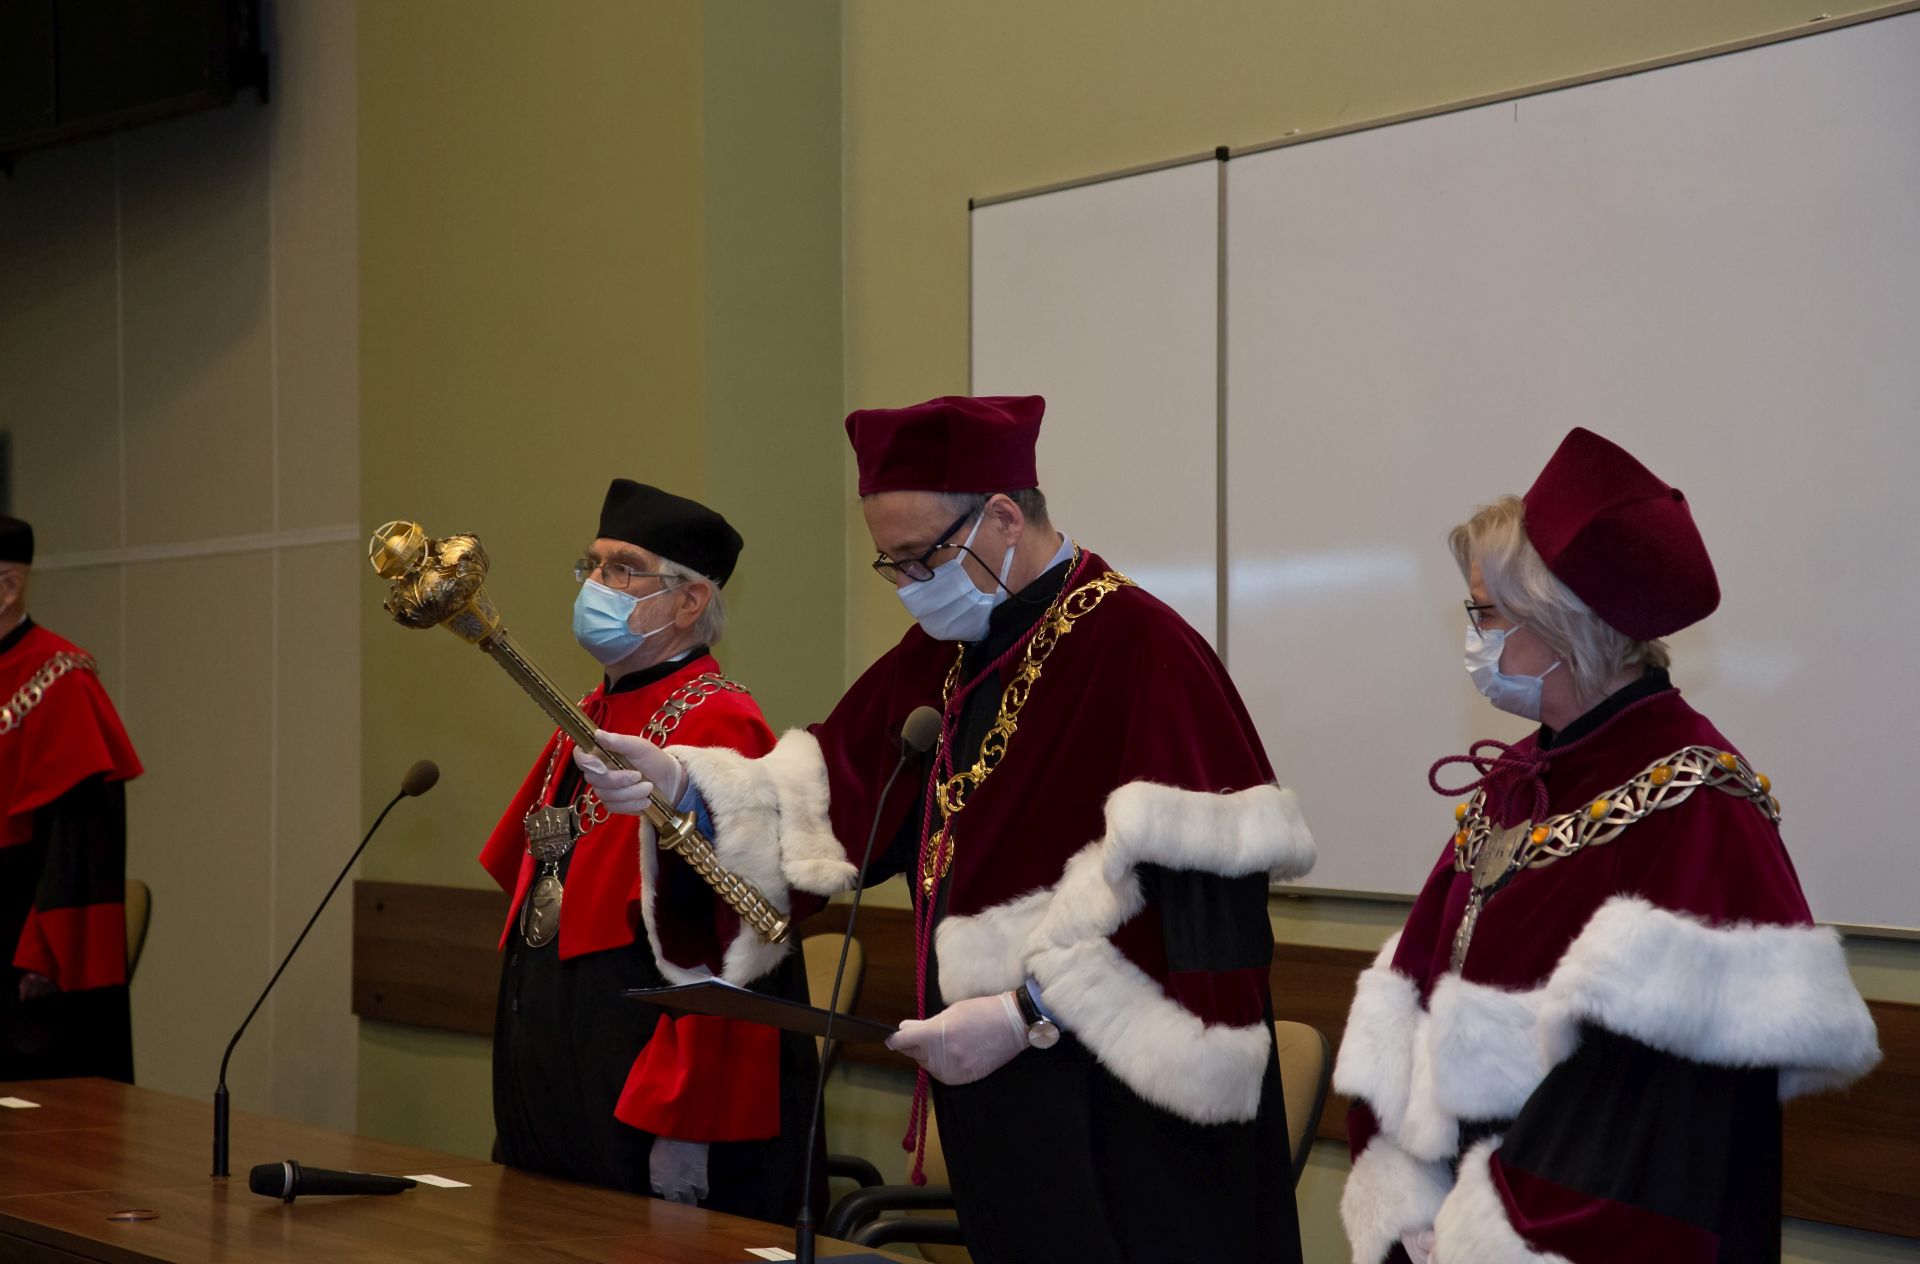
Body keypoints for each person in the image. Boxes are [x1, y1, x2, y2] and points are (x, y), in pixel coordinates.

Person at [579, 396, 1317, 1263]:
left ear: (1002, 517)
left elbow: (1206, 908)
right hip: (1000, 1098)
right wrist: (681, 784)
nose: (908, 584)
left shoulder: (1142, 646)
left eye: (921, 556)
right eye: (889, 563)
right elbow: (831, 798)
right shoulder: (944, 654)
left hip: (1132, 1115)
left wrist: (1025, 1011)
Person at [1333, 428, 1881, 1264]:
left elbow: (1655, 1119)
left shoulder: (1694, 797)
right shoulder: (1524, 774)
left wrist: (1480, 1229)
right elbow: (1418, 977)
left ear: (1562, 623)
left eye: (1488, 614)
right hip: (1446, 1213)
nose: (1475, 637)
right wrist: (1407, 1187)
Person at [480, 481, 818, 1221]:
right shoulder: (590, 713)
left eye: (624, 568)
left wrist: (686, 1116)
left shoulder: (721, 723)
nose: (597, 584)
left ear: (690, 601)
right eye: (593, 565)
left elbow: (732, 949)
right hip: (558, 1062)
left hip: (642, 1082)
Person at [0, 516, 142, 1084]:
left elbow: (83, 844)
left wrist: (42, 952)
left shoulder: (61, 679)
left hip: (22, 940)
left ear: (9, 588)